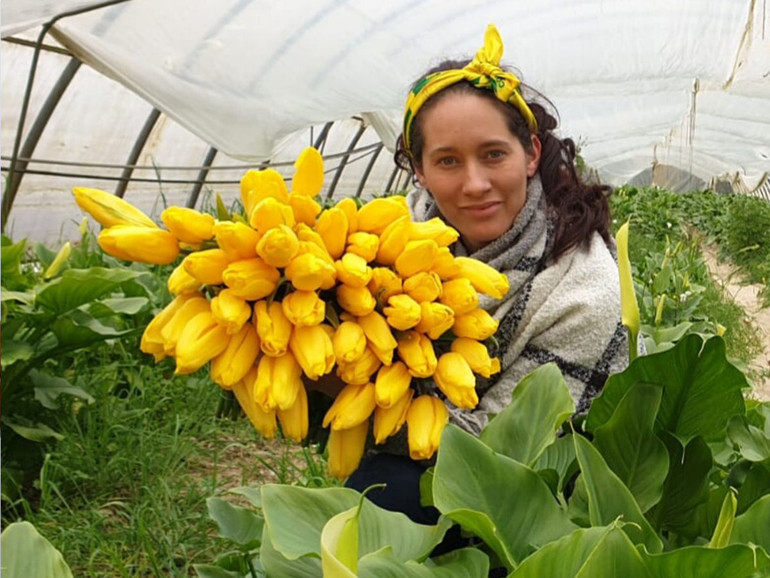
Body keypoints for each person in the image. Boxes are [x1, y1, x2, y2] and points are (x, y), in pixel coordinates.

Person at [346, 22, 628, 543]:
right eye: (448, 161)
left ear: (531, 155)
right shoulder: (386, 244)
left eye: (493, 154)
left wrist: (352, 407)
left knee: (384, 493)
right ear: (420, 172)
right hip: (410, 436)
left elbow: (505, 441)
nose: (474, 184)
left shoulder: (582, 283)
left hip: (529, 476)